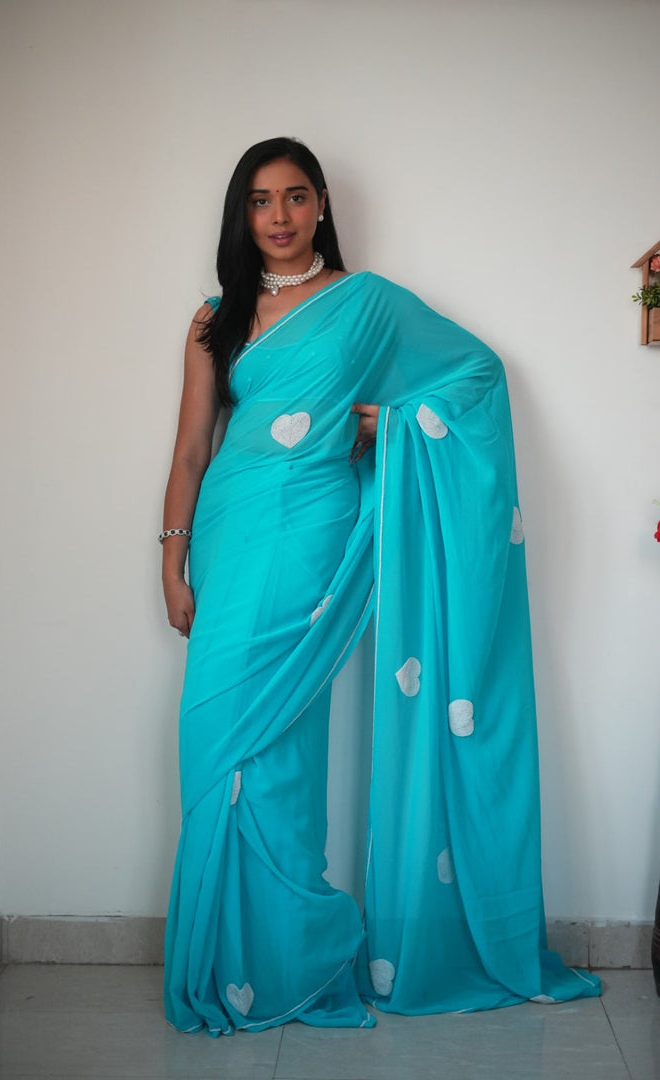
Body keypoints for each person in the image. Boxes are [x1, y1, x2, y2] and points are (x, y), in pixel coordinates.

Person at [161, 137, 600, 1037]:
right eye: (259, 200)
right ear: (242, 215)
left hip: (312, 535)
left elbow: (475, 375)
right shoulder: (215, 318)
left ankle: (291, 961)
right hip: (230, 531)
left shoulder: (367, 304)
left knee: (282, 742)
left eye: (295, 196)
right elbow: (193, 445)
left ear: (322, 204)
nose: (279, 216)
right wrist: (171, 555)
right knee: (214, 740)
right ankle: (239, 962)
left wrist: (389, 421)